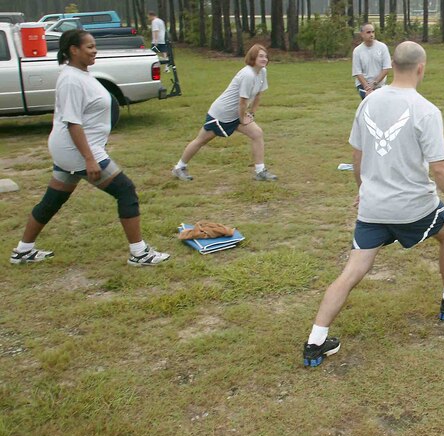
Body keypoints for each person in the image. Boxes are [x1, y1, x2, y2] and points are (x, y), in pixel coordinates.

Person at [303, 41, 444, 368]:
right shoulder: (426, 110)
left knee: (354, 269)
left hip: (374, 208)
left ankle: (315, 341)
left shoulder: (369, 102)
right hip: (414, 208)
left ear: (392, 65)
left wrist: (363, 189)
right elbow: (440, 168)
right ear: (421, 68)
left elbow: (357, 155)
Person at [10, 30, 170, 267]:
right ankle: (139, 254)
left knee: (53, 199)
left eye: (94, 46)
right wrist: (89, 158)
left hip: (71, 150)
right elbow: (73, 122)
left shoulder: (78, 74)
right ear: (73, 50)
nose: (94, 51)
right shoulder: (72, 79)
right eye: (89, 47)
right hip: (79, 151)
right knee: (125, 190)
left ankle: (23, 251)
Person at [171, 44, 276, 182]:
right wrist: (242, 118)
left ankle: (260, 171)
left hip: (238, 113)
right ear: (253, 57)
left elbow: (258, 96)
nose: (264, 59)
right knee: (201, 140)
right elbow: (242, 101)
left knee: (257, 133)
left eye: (266, 56)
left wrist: (251, 114)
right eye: (260, 56)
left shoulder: (262, 72)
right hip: (221, 114)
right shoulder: (248, 74)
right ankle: (179, 167)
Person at [351, 22, 392, 100]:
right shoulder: (357, 51)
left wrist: (374, 83)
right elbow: (357, 72)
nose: (371, 34)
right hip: (363, 85)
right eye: (368, 32)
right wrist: (367, 87)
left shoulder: (382, 47)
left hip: (379, 85)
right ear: (362, 34)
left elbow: (386, 68)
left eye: (373, 32)